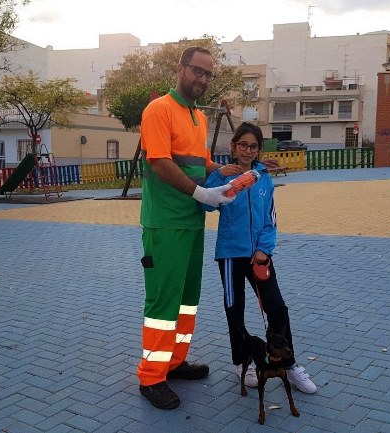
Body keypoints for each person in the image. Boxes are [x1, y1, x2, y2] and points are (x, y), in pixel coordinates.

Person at [137, 46, 235, 410]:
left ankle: (174, 363)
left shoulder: (198, 116)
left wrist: (219, 172)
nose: (203, 79)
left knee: (186, 301)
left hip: (192, 222)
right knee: (163, 301)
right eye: (198, 71)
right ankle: (151, 377)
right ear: (180, 69)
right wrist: (201, 193)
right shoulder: (158, 110)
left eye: (208, 74)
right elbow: (160, 162)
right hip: (165, 224)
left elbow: (196, 160)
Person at [201, 122, 317, 394]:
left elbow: (270, 218)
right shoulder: (223, 175)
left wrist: (264, 249)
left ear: (258, 149)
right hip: (230, 255)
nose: (247, 150)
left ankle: (288, 363)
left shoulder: (263, 177)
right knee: (235, 310)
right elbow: (204, 204)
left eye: (253, 146)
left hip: (259, 256)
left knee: (277, 308)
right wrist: (219, 177)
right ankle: (242, 362)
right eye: (243, 145)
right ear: (234, 146)